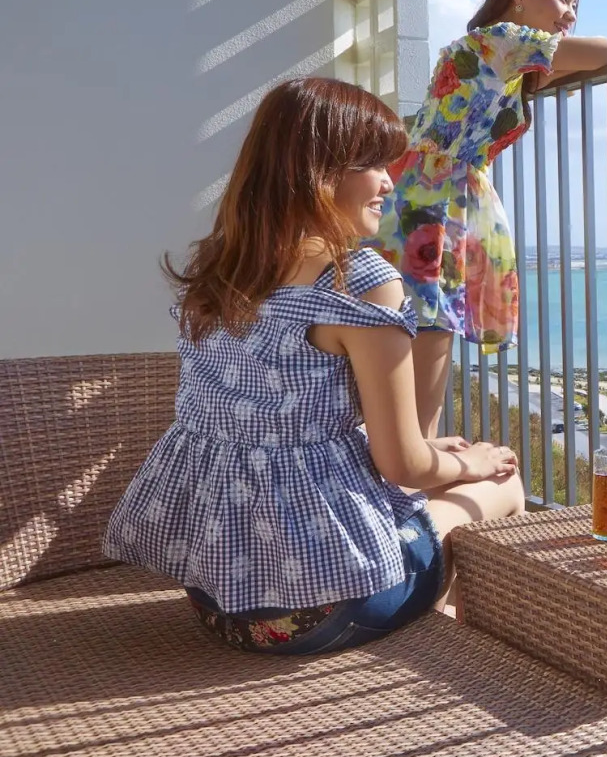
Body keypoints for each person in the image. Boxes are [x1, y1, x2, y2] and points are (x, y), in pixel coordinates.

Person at [104, 77, 524, 654]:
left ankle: (433, 617)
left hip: (220, 604)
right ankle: (459, 647)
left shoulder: (220, 271)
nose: (386, 181)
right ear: (317, 175)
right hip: (324, 612)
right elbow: (402, 463)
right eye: (370, 164)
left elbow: (291, 428)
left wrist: (436, 459)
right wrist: (470, 461)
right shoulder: (362, 283)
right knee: (503, 481)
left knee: (443, 474)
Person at [370, 0, 607, 435]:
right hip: (434, 198)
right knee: (432, 321)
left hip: (416, 190)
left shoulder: (478, 46)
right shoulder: (508, 39)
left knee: (416, 320)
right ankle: (414, 458)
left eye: (575, 7)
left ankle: (405, 451)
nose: (570, 15)